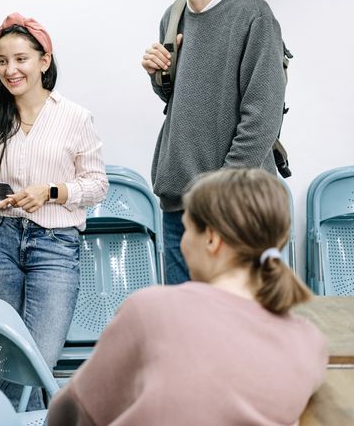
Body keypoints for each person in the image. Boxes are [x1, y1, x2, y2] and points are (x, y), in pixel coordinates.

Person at [47, 168, 327, 426]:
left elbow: (69, 413)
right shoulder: (310, 343)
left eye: (187, 228)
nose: (182, 241)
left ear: (211, 239)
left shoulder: (152, 309)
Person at [140, 0, 287, 285]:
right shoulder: (172, 17)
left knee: (240, 332)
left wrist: (217, 196)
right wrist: (161, 77)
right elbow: (183, 102)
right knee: (185, 331)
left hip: (235, 210)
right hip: (179, 208)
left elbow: (262, 119)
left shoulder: (253, 16)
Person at [0, 12, 108, 410]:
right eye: (2, 60)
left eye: (20, 59)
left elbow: (97, 185)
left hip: (55, 244)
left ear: (44, 61)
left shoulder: (75, 117)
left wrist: (51, 191)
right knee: (11, 358)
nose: (10, 70)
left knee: (37, 358)